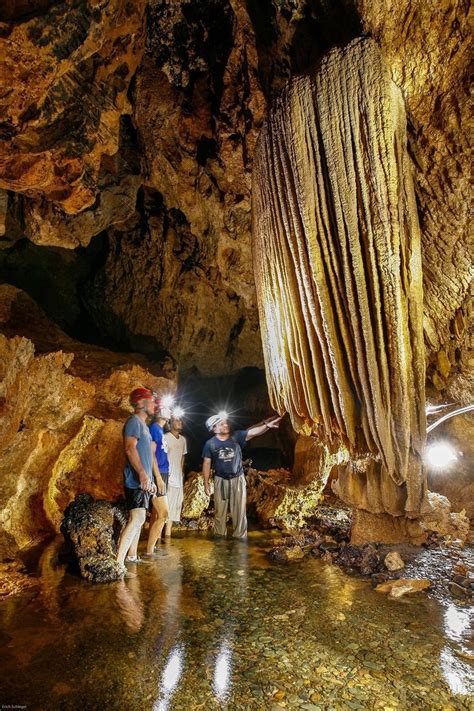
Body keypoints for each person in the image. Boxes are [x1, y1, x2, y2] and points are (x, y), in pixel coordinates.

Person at [202, 412, 283, 538]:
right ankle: (219, 541)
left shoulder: (236, 436)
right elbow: (207, 463)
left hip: (237, 478)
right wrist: (206, 483)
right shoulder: (210, 444)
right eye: (221, 424)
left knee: (239, 511)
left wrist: (266, 425)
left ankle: (240, 540)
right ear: (214, 429)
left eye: (225, 423)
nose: (225, 425)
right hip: (220, 480)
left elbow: (252, 432)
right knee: (219, 513)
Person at [116, 388, 166, 575]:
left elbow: (146, 454)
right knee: (136, 519)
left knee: (139, 519)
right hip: (135, 480)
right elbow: (130, 449)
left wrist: (150, 479)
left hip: (143, 481)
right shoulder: (133, 422)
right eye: (152, 401)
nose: (154, 405)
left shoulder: (144, 426)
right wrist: (143, 475)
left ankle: (131, 556)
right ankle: (118, 563)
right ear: (142, 403)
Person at [144, 397, 172, 558]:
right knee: (163, 514)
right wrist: (158, 477)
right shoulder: (155, 428)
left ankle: (152, 547)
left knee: (156, 514)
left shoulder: (161, 430)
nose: (170, 411)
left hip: (163, 473)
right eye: (167, 408)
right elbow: (151, 454)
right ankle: (148, 552)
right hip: (158, 474)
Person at [163, 415, 187, 536]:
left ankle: (167, 536)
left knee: (174, 509)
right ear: (170, 424)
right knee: (164, 509)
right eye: (177, 420)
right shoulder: (166, 437)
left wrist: (181, 474)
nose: (180, 422)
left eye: (180, 420)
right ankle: (157, 539)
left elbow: (182, 457)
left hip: (178, 478)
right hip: (167, 477)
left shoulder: (183, 440)